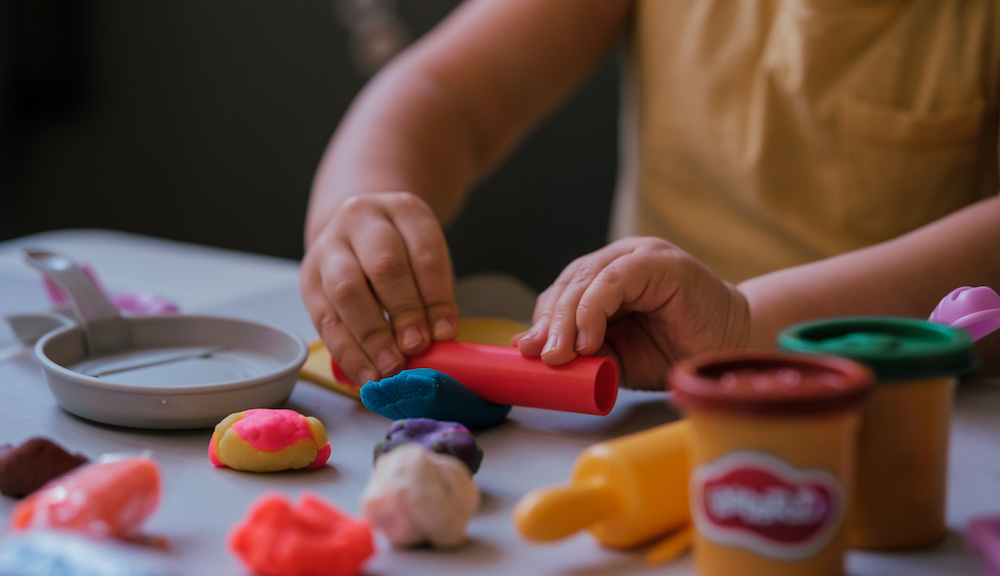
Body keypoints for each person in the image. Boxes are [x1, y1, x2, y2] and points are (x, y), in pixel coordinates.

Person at [301, 0, 1000, 389]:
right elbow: (446, 94)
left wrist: (747, 326)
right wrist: (358, 213)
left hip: (915, 422)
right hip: (644, 402)